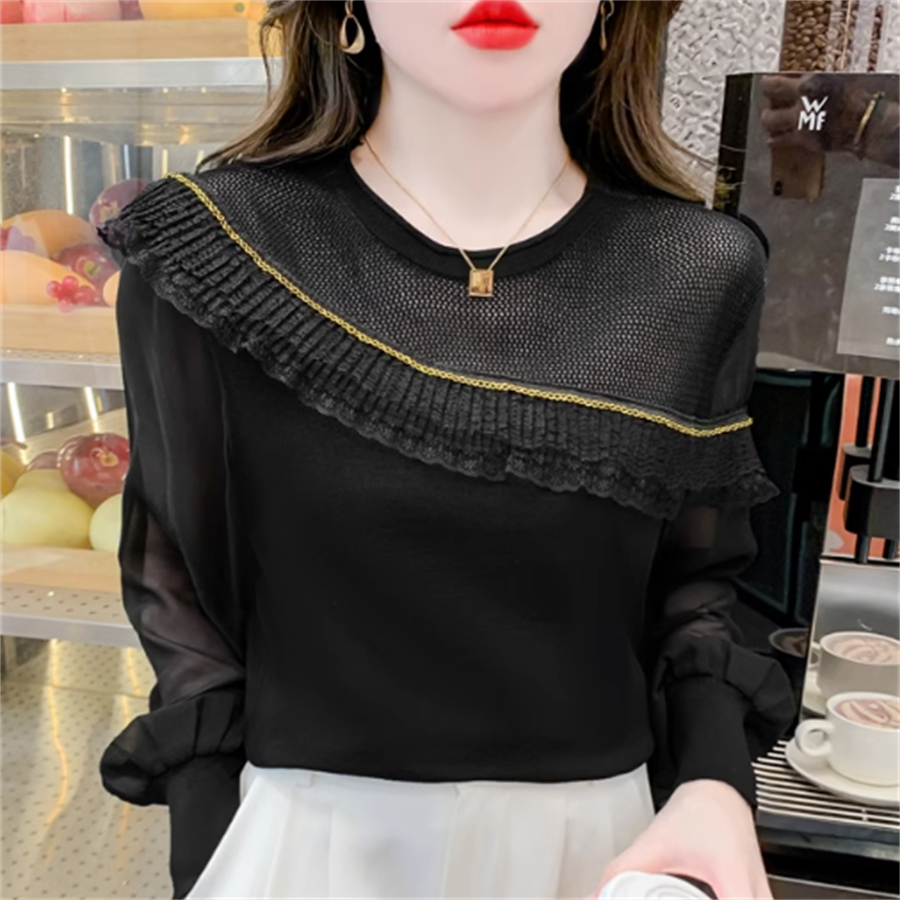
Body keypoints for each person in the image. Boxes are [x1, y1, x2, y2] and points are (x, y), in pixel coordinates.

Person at [99, 1, 795, 898]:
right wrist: (211, 854)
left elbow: (696, 586)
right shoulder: (215, 247)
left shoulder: (699, 268)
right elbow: (179, 587)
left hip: (598, 848)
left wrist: (714, 787)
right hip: (308, 845)